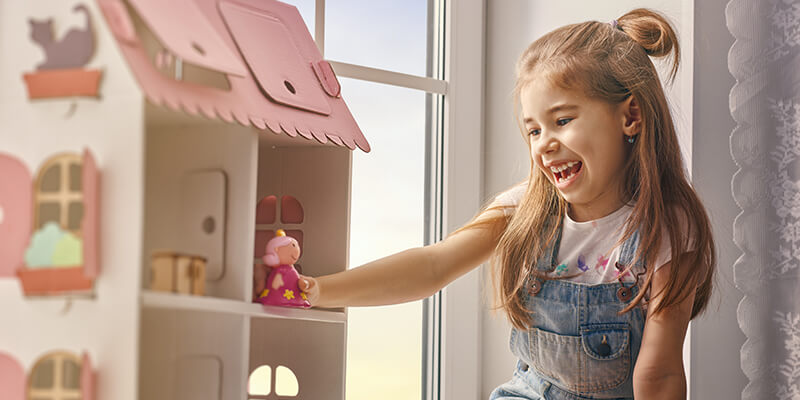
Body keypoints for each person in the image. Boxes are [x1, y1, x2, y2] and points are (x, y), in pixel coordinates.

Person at [297, 8, 715, 400]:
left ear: (631, 116)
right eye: (533, 130)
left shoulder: (669, 229)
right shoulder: (527, 210)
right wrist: (319, 291)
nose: (544, 144)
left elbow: (658, 375)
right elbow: (432, 266)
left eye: (562, 121)